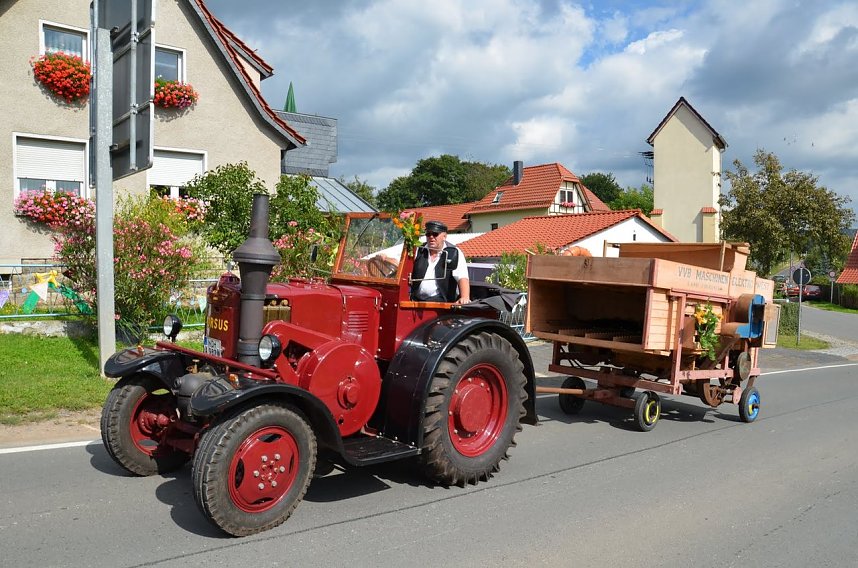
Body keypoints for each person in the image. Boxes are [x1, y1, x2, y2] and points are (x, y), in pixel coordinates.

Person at [410, 220, 470, 304]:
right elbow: (399, 263)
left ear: (444, 236)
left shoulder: (453, 252)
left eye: (435, 234)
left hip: (441, 304)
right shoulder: (418, 250)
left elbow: (462, 277)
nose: (431, 237)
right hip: (416, 301)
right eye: (428, 234)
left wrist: (464, 297)